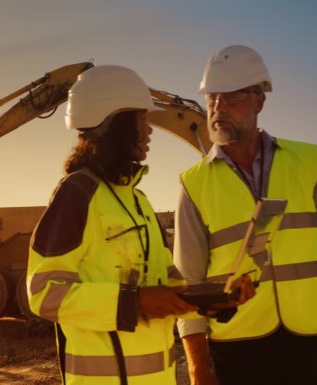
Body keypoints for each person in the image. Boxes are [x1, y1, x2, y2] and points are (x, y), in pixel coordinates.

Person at [174, 45, 317, 385]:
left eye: (231, 96)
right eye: (212, 97)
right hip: (237, 351)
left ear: (259, 101)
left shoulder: (306, 161)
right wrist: (198, 369)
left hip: (315, 344)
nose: (218, 107)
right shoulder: (194, 184)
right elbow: (188, 283)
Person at [25, 65, 200, 385]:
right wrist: (134, 302)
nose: (148, 131)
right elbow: (44, 293)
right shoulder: (77, 194)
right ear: (115, 123)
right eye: (141, 119)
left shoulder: (140, 202)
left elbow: (165, 280)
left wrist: (210, 295)